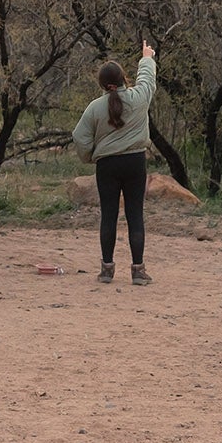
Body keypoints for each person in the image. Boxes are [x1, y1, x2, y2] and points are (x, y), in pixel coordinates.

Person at [71, 40, 158, 285]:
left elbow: (79, 136)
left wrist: (90, 156)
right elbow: (147, 80)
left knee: (108, 215)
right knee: (135, 216)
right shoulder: (139, 98)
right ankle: (138, 271)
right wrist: (146, 57)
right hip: (135, 162)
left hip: (107, 166)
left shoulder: (94, 108)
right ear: (123, 79)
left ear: (103, 85)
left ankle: (107, 269)